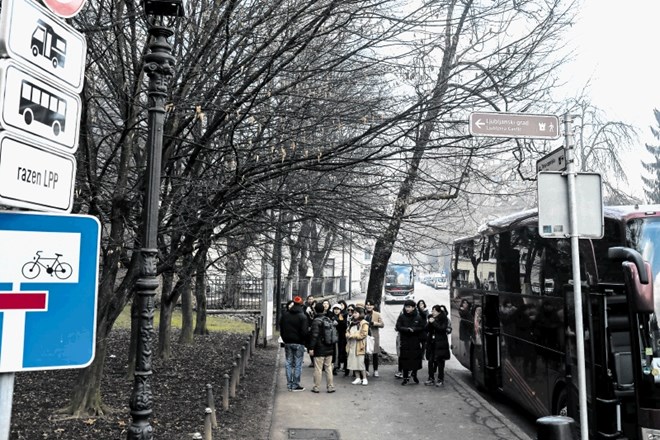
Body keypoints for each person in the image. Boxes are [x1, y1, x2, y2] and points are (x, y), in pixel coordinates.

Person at [279, 296, 309, 391]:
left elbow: (281, 328)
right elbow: (304, 332)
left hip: (287, 342)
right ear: (301, 304)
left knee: (288, 363)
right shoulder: (302, 317)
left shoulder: (285, 315)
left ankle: (289, 384)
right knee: (298, 363)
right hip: (299, 343)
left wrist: (284, 339)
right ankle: (295, 384)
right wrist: (304, 342)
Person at [395, 299, 425, 385]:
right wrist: (407, 329)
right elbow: (398, 326)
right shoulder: (402, 316)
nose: (407, 308)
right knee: (405, 360)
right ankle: (405, 378)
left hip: (415, 341)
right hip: (404, 341)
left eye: (409, 307)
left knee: (415, 360)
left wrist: (414, 330)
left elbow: (422, 327)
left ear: (413, 308)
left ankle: (414, 374)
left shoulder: (418, 317)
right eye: (406, 307)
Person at [308, 302, 336, 393]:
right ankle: (330, 386)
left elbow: (314, 336)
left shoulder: (316, 321)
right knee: (328, 368)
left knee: (318, 368)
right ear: (324, 310)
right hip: (329, 347)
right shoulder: (328, 319)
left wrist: (311, 348)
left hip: (319, 348)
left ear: (315, 310)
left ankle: (316, 387)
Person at [425, 304, 451, 386]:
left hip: (440, 343)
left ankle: (440, 379)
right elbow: (426, 329)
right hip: (432, 343)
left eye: (434, 311)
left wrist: (434, 323)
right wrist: (429, 323)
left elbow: (442, 329)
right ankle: (431, 378)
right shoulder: (431, 318)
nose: (433, 312)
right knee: (430, 361)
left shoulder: (444, 319)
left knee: (440, 362)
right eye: (432, 311)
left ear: (439, 312)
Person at [346, 306, 369, 385]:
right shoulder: (352, 322)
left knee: (360, 362)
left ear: (360, 313)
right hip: (352, 344)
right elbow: (347, 331)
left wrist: (353, 335)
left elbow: (363, 335)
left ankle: (364, 378)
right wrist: (347, 334)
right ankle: (357, 378)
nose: (354, 314)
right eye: (354, 313)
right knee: (353, 362)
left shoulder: (364, 323)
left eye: (356, 313)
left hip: (360, 345)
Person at [364, 300, 384, 377]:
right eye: (367, 305)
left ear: (373, 306)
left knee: (375, 353)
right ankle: (366, 370)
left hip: (374, 336)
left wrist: (374, 323)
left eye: (370, 305)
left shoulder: (377, 314)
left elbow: (382, 325)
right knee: (366, 354)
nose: (369, 306)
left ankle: (375, 370)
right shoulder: (363, 314)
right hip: (365, 335)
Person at [331, 303, 348, 376]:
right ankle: (335, 368)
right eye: (335, 309)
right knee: (334, 353)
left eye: (338, 309)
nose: (336, 310)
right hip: (333, 337)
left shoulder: (342, 316)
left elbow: (344, 325)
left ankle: (344, 367)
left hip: (341, 337)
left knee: (341, 352)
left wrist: (338, 323)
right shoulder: (331, 317)